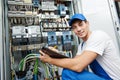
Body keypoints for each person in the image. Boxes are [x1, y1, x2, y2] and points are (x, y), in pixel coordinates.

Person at [40, 13, 120, 80]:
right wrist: (56, 55)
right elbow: (73, 63)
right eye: (74, 27)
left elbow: (78, 66)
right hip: (101, 77)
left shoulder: (98, 36)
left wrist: (50, 60)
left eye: (81, 24)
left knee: (68, 73)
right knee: (68, 70)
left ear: (87, 23)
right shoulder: (81, 46)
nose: (78, 29)